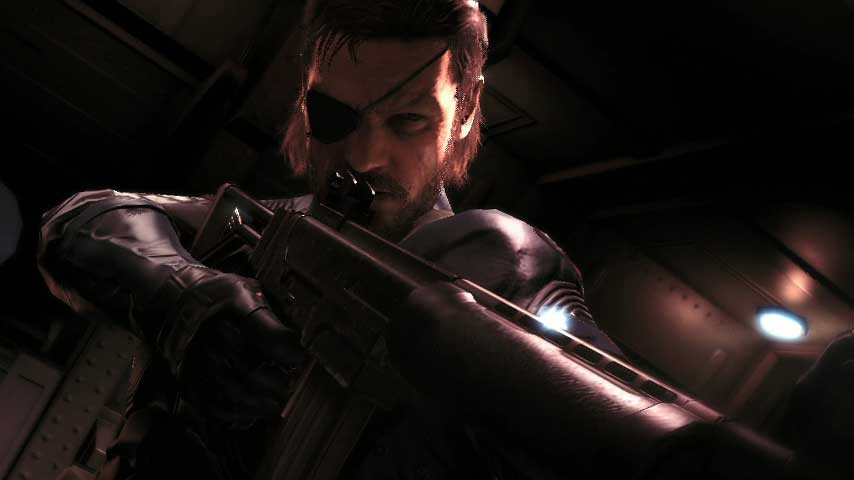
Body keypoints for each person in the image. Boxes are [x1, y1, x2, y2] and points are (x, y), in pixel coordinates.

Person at [37, 1, 624, 479]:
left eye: (409, 121)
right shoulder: (258, 228)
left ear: (466, 108)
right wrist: (183, 297)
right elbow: (85, 217)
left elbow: (609, 424)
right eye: (335, 114)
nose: (363, 157)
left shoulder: (493, 276)